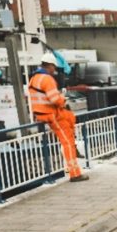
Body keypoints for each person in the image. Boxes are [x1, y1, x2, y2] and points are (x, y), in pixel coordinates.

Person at [29, 53, 87, 182]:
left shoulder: (34, 78)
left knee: (70, 117)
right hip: (51, 114)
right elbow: (55, 100)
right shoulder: (47, 79)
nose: (54, 70)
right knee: (67, 143)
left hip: (41, 113)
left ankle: (74, 141)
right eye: (54, 67)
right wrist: (63, 100)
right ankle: (75, 173)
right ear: (49, 66)